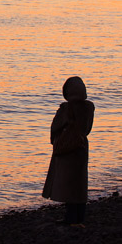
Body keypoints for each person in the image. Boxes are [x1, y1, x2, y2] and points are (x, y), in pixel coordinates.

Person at [42, 76, 95, 226]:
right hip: (82, 146)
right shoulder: (89, 107)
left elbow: (55, 127)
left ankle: (70, 218)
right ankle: (79, 218)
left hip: (67, 149)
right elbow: (87, 129)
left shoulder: (66, 109)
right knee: (80, 184)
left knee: (67, 184)